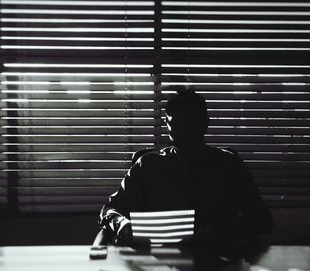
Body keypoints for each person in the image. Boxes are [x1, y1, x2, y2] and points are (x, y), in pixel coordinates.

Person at [98, 89, 273, 248]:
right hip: (160, 260)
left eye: (191, 122)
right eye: (177, 123)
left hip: (216, 257)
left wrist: (219, 231)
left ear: (205, 123)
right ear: (167, 125)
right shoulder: (147, 165)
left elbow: (262, 220)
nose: (184, 131)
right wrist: (121, 224)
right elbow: (111, 210)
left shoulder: (229, 165)